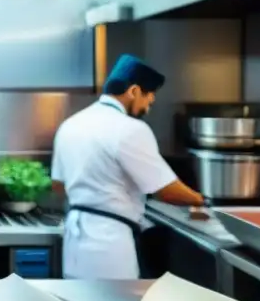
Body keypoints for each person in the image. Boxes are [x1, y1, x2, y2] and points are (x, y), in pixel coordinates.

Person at [51, 54, 206, 280]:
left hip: (75, 240)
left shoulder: (71, 124)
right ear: (133, 91)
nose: (148, 106)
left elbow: (58, 185)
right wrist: (202, 201)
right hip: (109, 244)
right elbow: (166, 190)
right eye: (148, 98)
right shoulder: (131, 129)